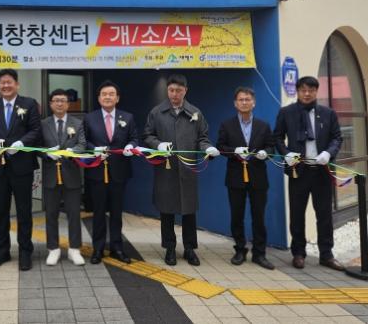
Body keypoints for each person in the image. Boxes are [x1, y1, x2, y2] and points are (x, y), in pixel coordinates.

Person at [143, 74, 219, 266]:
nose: (174, 94)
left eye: (178, 90)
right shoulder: (157, 112)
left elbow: (203, 137)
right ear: (167, 90)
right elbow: (147, 136)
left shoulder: (195, 113)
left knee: (189, 211)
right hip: (166, 169)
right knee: (166, 210)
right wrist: (158, 145)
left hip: (187, 169)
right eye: (171, 90)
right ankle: (169, 247)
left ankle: (189, 248)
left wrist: (207, 148)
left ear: (186, 90)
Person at [274, 76, 344, 271]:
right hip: (299, 171)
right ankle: (298, 253)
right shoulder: (286, 112)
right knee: (297, 214)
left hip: (322, 171)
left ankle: (326, 254)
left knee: (324, 214)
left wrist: (328, 153)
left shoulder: (328, 113)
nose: (307, 94)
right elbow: (277, 137)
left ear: (316, 92)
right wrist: (286, 153)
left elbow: (337, 138)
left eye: (311, 90)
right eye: (303, 90)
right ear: (297, 91)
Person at [0, 69, 41, 270]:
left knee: (24, 211)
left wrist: (22, 143)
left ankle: (25, 252)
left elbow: (36, 130)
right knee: (1, 211)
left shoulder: (29, 104)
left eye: (9, 82)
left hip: (22, 166)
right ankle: (1, 252)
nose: (6, 85)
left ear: (17, 84)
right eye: (2, 82)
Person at [216, 87, 275, 270]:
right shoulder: (227, 125)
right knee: (237, 216)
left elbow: (271, 147)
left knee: (259, 216)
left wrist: (266, 153)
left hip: (258, 177)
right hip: (235, 177)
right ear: (235, 103)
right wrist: (234, 151)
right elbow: (220, 147)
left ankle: (259, 253)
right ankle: (240, 250)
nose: (244, 102)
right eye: (241, 100)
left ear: (253, 103)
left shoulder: (263, 125)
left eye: (247, 99)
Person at [83, 80, 138, 265]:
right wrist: (94, 148)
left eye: (111, 94)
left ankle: (117, 247)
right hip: (97, 171)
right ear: (99, 98)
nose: (108, 97)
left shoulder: (127, 117)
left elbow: (134, 138)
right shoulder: (89, 118)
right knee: (98, 212)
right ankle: (98, 248)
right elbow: (84, 141)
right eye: (104, 94)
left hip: (119, 171)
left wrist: (131, 146)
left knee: (116, 212)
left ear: (117, 98)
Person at [41, 89, 87, 266]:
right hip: (51, 176)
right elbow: (37, 146)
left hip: (71, 175)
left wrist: (72, 151)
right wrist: (46, 153)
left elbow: (82, 144)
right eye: (56, 100)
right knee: (51, 214)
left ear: (68, 104)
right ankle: (53, 249)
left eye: (63, 100)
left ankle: (74, 249)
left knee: (74, 214)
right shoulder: (43, 124)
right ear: (51, 104)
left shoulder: (78, 123)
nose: (59, 103)